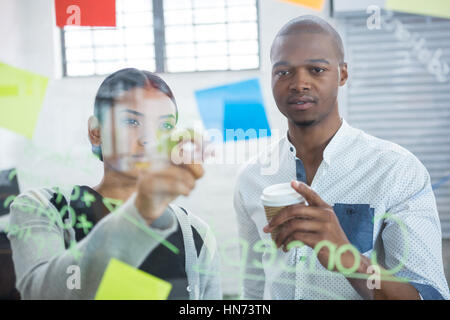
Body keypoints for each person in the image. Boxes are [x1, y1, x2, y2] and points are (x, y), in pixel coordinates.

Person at [234, 15, 450, 300]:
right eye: (284, 72)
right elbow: (253, 286)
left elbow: (428, 296)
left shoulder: (396, 170)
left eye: (316, 69)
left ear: (342, 74)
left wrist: (350, 260)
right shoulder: (252, 178)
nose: (299, 83)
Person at [8, 68, 222, 300]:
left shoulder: (194, 233)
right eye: (131, 121)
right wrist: (140, 213)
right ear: (95, 132)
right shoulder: (43, 209)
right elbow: (41, 294)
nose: (149, 138)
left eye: (166, 126)